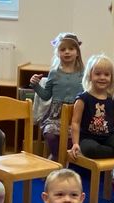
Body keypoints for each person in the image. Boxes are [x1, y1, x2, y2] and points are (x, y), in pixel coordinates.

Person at [69, 54, 114, 163]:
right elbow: (75, 123)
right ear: (90, 75)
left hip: (109, 137)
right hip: (88, 138)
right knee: (91, 150)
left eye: (106, 74)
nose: (102, 77)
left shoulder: (112, 99)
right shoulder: (83, 98)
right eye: (98, 74)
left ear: (111, 78)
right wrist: (75, 143)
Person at [29, 32, 85, 160]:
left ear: (77, 52)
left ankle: (62, 162)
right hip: (55, 115)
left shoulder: (84, 73)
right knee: (50, 135)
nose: (67, 52)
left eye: (71, 48)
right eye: (63, 49)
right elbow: (45, 95)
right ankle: (56, 157)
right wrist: (35, 85)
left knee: (75, 137)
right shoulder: (54, 73)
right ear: (58, 53)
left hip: (76, 115)